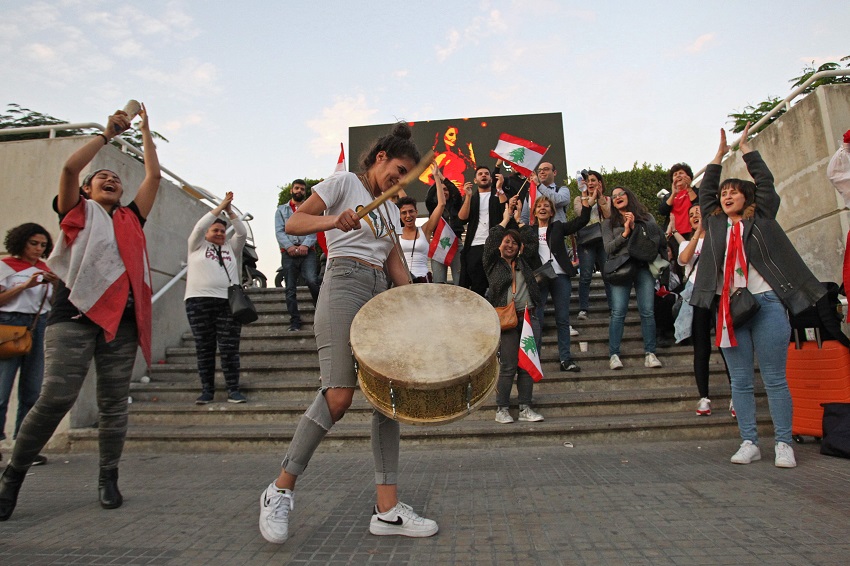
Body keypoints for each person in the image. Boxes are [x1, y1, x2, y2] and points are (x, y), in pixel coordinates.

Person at [258, 122, 438, 544]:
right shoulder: (344, 183)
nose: (398, 180)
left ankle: (388, 510)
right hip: (343, 282)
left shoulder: (392, 208)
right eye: (396, 170)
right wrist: (332, 220)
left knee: (387, 398)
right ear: (379, 159)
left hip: (379, 292)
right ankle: (279, 489)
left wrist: (418, 304)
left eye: (406, 176)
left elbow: (394, 263)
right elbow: (297, 223)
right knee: (338, 395)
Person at [0, 105, 161, 521]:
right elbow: (72, 168)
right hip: (73, 316)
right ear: (87, 190)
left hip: (121, 324)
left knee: (113, 404)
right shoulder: (77, 211)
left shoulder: (130, 217)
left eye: (116, 178)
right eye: (101, 177)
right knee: (55, 397)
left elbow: (154, 177)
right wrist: (108, 133)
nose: (110, 178)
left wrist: (146, 132)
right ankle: (13, 475)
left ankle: (108, 476)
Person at [690, 123, 825, 468]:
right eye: (724, 193)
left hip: (766, 303)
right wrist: (718, 157)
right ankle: (749, 440)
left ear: (746, 198)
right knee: (741, 380)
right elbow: (705, 192)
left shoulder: (761, 217)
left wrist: (747, 149)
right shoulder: (716, 222)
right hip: (729, 309)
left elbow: (766, 184)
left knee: (775, 378)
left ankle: (783, 443)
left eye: (734, 191)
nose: (726, 195)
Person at [0, 224, 59, 466]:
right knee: (2, 390)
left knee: (33, 390)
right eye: (33, 243)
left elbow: (52, 304)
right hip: (9, 324)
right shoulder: (6, 266)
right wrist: (25, 285)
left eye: (43, 245)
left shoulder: (46, 269)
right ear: (21, 242)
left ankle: (25, 448)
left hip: (38, 325)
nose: (38, 249)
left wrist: (56, 285)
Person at [485, 196, 545, 424]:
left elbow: (530, 239)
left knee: (528, 363)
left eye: (513, 243)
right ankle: (501, 409)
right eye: (506, 242)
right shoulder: (492, 264)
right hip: (506, 320)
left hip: (529, 319)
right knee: (509, 365)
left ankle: (525, 407)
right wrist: (505, 218)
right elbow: (491, 240)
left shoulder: (526, 261)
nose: (509, 245)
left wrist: (520, 220)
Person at [185, 192, 248, 405]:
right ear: (207, 233)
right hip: (198, 302)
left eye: (222, 230)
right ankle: (207, 391)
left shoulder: (231, 248)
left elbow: (241, 232)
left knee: (229, 348)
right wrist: (220, 206)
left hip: (227, 303)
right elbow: (199, 227)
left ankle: (233, 389)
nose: (220, 233)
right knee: (205, 347)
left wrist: (230, 212)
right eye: (216, 230)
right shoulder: (196, 246)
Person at [673, 204, 734, 417]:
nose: (694, 216)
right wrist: (699, 233)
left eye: (698, 212)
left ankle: (736, 396)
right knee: (701, 349)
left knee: (727, 346)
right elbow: (683, 260)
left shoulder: (721, 237)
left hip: (719, 296)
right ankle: (704, 397)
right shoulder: (687, 244)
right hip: (699, 298)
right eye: (690, 215)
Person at [602, 186, 665, 371]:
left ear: (629, 196)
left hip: (643, 266)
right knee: (618, 311)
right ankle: (614, 354)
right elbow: (608, 248)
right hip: (621, 268)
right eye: (613, 196)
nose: (617, 198)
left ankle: (650, 353)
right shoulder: (608, 223)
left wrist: (636, 227)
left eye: (621, 194)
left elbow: (655, 242)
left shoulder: (647, 218)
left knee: (647, 311)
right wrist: (625, 233)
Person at [532, 194, 593, 372]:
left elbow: (582, 221)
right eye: (539, 206)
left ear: (552, 212)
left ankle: (565, 359)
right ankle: (535, 360)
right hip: (539, 277)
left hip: (560, 276)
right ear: (534, 211)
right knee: (538, 319)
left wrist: (585, 201)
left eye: (546, 206)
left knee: (563, 319)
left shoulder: (558, 227)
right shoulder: (528, 231)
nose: (542, 208)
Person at [275, 179, 320, 331]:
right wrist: (289, 247)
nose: (299, 191)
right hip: (288, 253)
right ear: (291, 190)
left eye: (302, 189)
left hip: (307, 252)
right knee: (290, 288)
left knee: (312, 281)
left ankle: (320, 314)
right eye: (297, 188)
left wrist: (305, 245)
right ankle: (295, 322)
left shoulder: (310, 208)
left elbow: (314, 228)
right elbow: (279, 231)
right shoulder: (281, 210)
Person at [458, 165, 507, 296]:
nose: (484, 175)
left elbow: (506, 211)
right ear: (475, 180)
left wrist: (500, 189)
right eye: (480, 174)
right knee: (477, 286)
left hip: (495, 245)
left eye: (486, 173)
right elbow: (462, 218)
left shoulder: (498, 195)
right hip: (475, 246)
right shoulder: (472, 198)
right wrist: (467, 197)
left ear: (491, 178)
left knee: (497, 284)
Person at [397, 164, 446, 283]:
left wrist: (436, 178)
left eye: (411, 211)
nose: (408, 216)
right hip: (402, 282)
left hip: (423, 281)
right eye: (404, 213)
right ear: (399, 215)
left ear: (416, 212)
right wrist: (397, 185)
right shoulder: (396, 233)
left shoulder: (424, 230)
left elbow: (441, 205)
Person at [574, 170, 612, 320]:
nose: (590, 183)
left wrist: (600, 198)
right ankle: (583, 309)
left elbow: (608, 215)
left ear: (599, 183)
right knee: (585, 276)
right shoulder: (579, 199)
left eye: (593, 180)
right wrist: (588, 197)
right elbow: (580, 213)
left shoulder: (607, 199)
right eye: (588, 181)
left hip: (603, 240)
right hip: (586, 241)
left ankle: (612, 307)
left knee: (607, 274)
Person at [424, 172, 464, 284]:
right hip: (439, 244)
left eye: (446, 189)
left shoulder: (455, 205)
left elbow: (456, 192)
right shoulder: (432, 206)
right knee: (438, 283)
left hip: (456, 244)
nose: (444, 192)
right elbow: (429, 197)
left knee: (460, 281)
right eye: (440, 190)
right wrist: (436, 179)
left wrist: (442, 177)